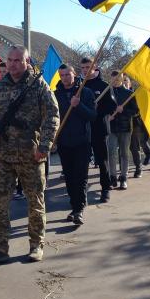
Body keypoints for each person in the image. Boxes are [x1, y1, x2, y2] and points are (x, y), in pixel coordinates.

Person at [0, 46, 59, 264]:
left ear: (27, 61)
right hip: (3, 156)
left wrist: (43, 147)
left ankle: (36, 245)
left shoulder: (38, 86)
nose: (13, 64)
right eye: (9, 60)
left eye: (17, 60)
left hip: (30, 155)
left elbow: (52, 117)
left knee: (35, 202)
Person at [54, 64, 97, 224]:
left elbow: (92, 116)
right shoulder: (55, 95)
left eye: (67, 74)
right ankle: (75, 205)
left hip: (82, 141)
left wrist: (79, 105)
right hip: (64, 142)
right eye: (62, 75)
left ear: (74, 74)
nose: (65, 77)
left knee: (80, 176)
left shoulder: (85, 93)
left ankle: (78, 210)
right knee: (69, 177)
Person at [80, 57, 116, 202]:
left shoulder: (104, 85)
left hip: (99, 128)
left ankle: (105, 188)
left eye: (88, 67)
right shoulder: (79, 84)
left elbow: (112, 106)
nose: (85, 70)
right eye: (82, 67)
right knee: (82, 163)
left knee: (102, 160)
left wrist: (98, 109)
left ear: (95, 67)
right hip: (82, 130)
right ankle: (81, 193)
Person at [108, 72, 139, 189]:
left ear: (122, 79)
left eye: (118, 79)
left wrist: (123, 111)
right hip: (111, 128)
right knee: (111, 153)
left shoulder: (129, 94)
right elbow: (103, 109)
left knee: (124, 153)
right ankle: (113, 177)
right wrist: (108, 115)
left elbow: (136, 111)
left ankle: (123, 178)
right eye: (113, 79)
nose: (115, 81)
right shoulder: (107, 93)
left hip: (125, 128)